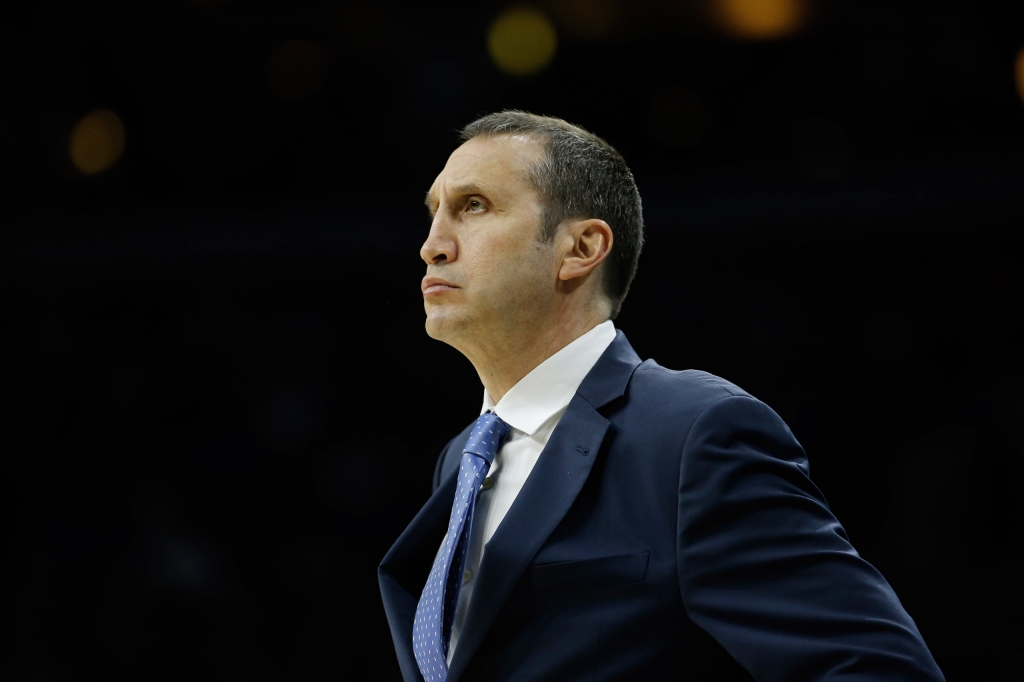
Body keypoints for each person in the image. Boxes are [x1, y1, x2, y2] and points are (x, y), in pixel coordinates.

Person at [378, 111, 943, 682]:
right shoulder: (461, 462)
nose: (432, 246)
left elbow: (878, 668)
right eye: (434, 214)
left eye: (473, 206)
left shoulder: (693, 433)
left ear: (580, 247)